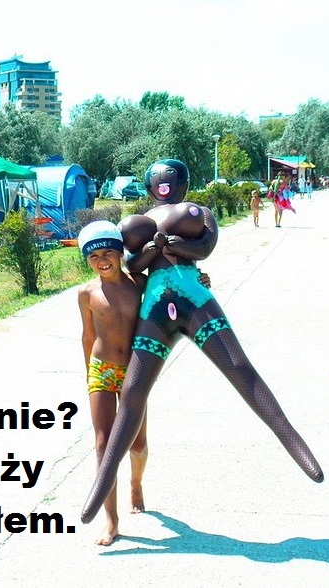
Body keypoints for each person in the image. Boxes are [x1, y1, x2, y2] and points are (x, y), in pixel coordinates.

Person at [80, 159, 324, 526]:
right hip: (156, 305)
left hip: (193, 296)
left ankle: (292, 440)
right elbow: (134, 264)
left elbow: (205, 246)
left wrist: (174, 246)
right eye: (157, 179)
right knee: (133, 392)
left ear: (181, 182)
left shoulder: (200, 212)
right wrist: (156, 248)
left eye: (169, 178)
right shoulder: (140, 221)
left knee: (238, 366)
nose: (163, 183)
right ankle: (103, 488)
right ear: (149, 185)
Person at [77, 220, 211, 545]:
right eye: (94, 257)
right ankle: (111, 521)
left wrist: (200, 282)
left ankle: (136, 483)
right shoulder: (87, 293)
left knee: (136, 444)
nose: (102, 260)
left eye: (108, 253)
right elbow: (88, 335)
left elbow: (175, 295)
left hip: (135, 372)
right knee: (103, 444)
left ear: (120, 253)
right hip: (101, 369)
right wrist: (88, 373)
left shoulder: (140, 284)